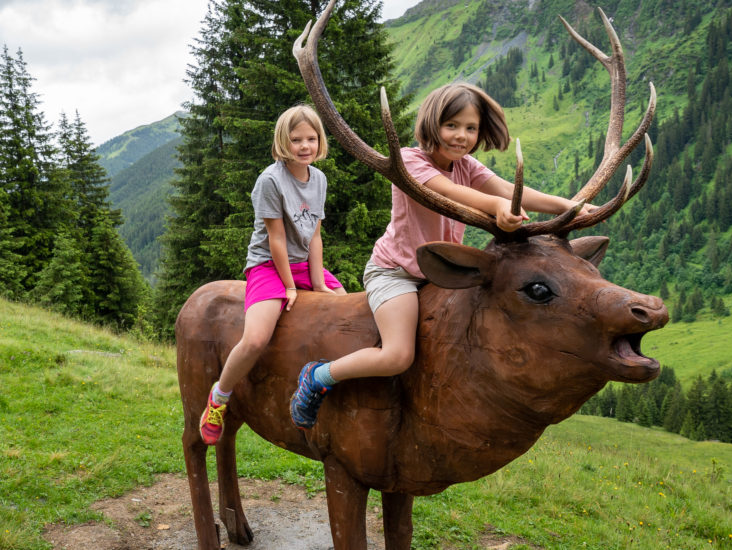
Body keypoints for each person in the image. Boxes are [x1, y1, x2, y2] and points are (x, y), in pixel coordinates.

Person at [289, 83, 593, 428]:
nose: (461, 136)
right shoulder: (408, 161)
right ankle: (319, 377)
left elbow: (510, 190)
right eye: (452, 126)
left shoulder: (467, 165)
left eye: (470, 128)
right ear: (432, 124)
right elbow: (451, 192)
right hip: (398, 273)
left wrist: (574, 207)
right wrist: (498, 208)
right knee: (398, 355)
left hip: (445, 273)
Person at [199, 104, 347, 444]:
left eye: (311, 138)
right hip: (269, 264)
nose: (305, 146)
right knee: (254, 339)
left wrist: (321, 282)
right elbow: (277, 239)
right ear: (284, 141)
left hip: (304, 263)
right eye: (296, 140)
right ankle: (219, 398)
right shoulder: (270, 180)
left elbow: (315, 235)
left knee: (351, 311)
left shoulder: (319, 179)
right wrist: (290, 287)